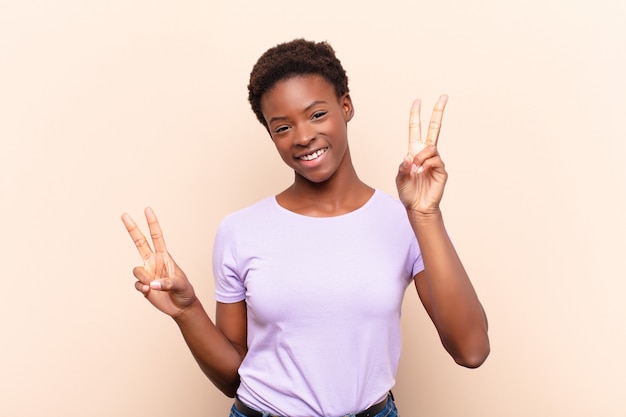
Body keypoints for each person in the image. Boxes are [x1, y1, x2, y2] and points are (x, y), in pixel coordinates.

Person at [122, 39, 489, 417]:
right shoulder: (240, 231)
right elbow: (235, 377)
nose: (302, 136)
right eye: (282, 127)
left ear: (345, 106)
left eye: (316, 115)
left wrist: (426, 216)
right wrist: (187, 311)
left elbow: (471, 350)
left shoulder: (404, 222)